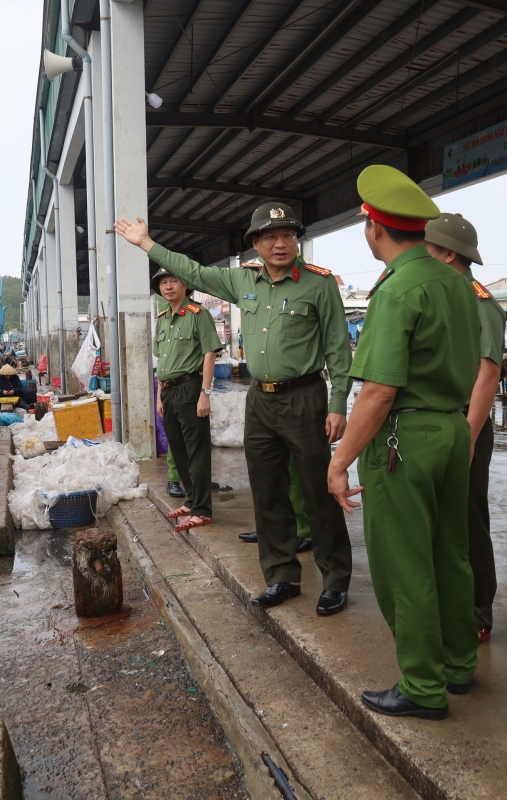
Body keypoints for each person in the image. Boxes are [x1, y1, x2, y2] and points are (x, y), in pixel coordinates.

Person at [115, 202, 353, 617]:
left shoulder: (320, 284)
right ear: (255, 243)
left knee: (318, 492)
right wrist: (148, 244)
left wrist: (338, 404)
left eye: (288, 235)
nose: (280, 244)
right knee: (267, 491)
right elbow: (193, 272)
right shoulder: (243, 280)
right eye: (270, 237)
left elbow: (337, 347)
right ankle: (282, 576)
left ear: (296, 241)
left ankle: (335, 580)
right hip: (259, 400)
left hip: (305, 398)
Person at [327, 165, 480, 720]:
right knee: (450, 555)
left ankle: (422, 686)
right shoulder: (457, 284)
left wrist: (340, 461)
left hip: (404, 438)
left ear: (374, 227)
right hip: (451, 429)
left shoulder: (395, 291)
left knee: (404, 564)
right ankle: (459, 664)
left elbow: (377, 393)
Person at [424, 212, 504, 644]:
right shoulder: (435, 295)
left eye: (428, 248)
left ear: (448, 254)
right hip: (432, 421)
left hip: (464, 423)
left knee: (468, 516)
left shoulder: (480, 303)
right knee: (436, 517)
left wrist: (469, 438)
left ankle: (477, 610)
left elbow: (488, 375)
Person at [151, 269, 222, 531]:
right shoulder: (162, 318)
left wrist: (205, 394)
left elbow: (209, 354)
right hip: (168, 391)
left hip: (190, 388)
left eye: (174, 281)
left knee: (196, 452)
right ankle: (191, 501)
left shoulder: (198, 314)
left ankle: (202, 510)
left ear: (186, 286)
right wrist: (160, 396)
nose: (168, 286)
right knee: (179, 450)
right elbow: (162, 361)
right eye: (163, 283)